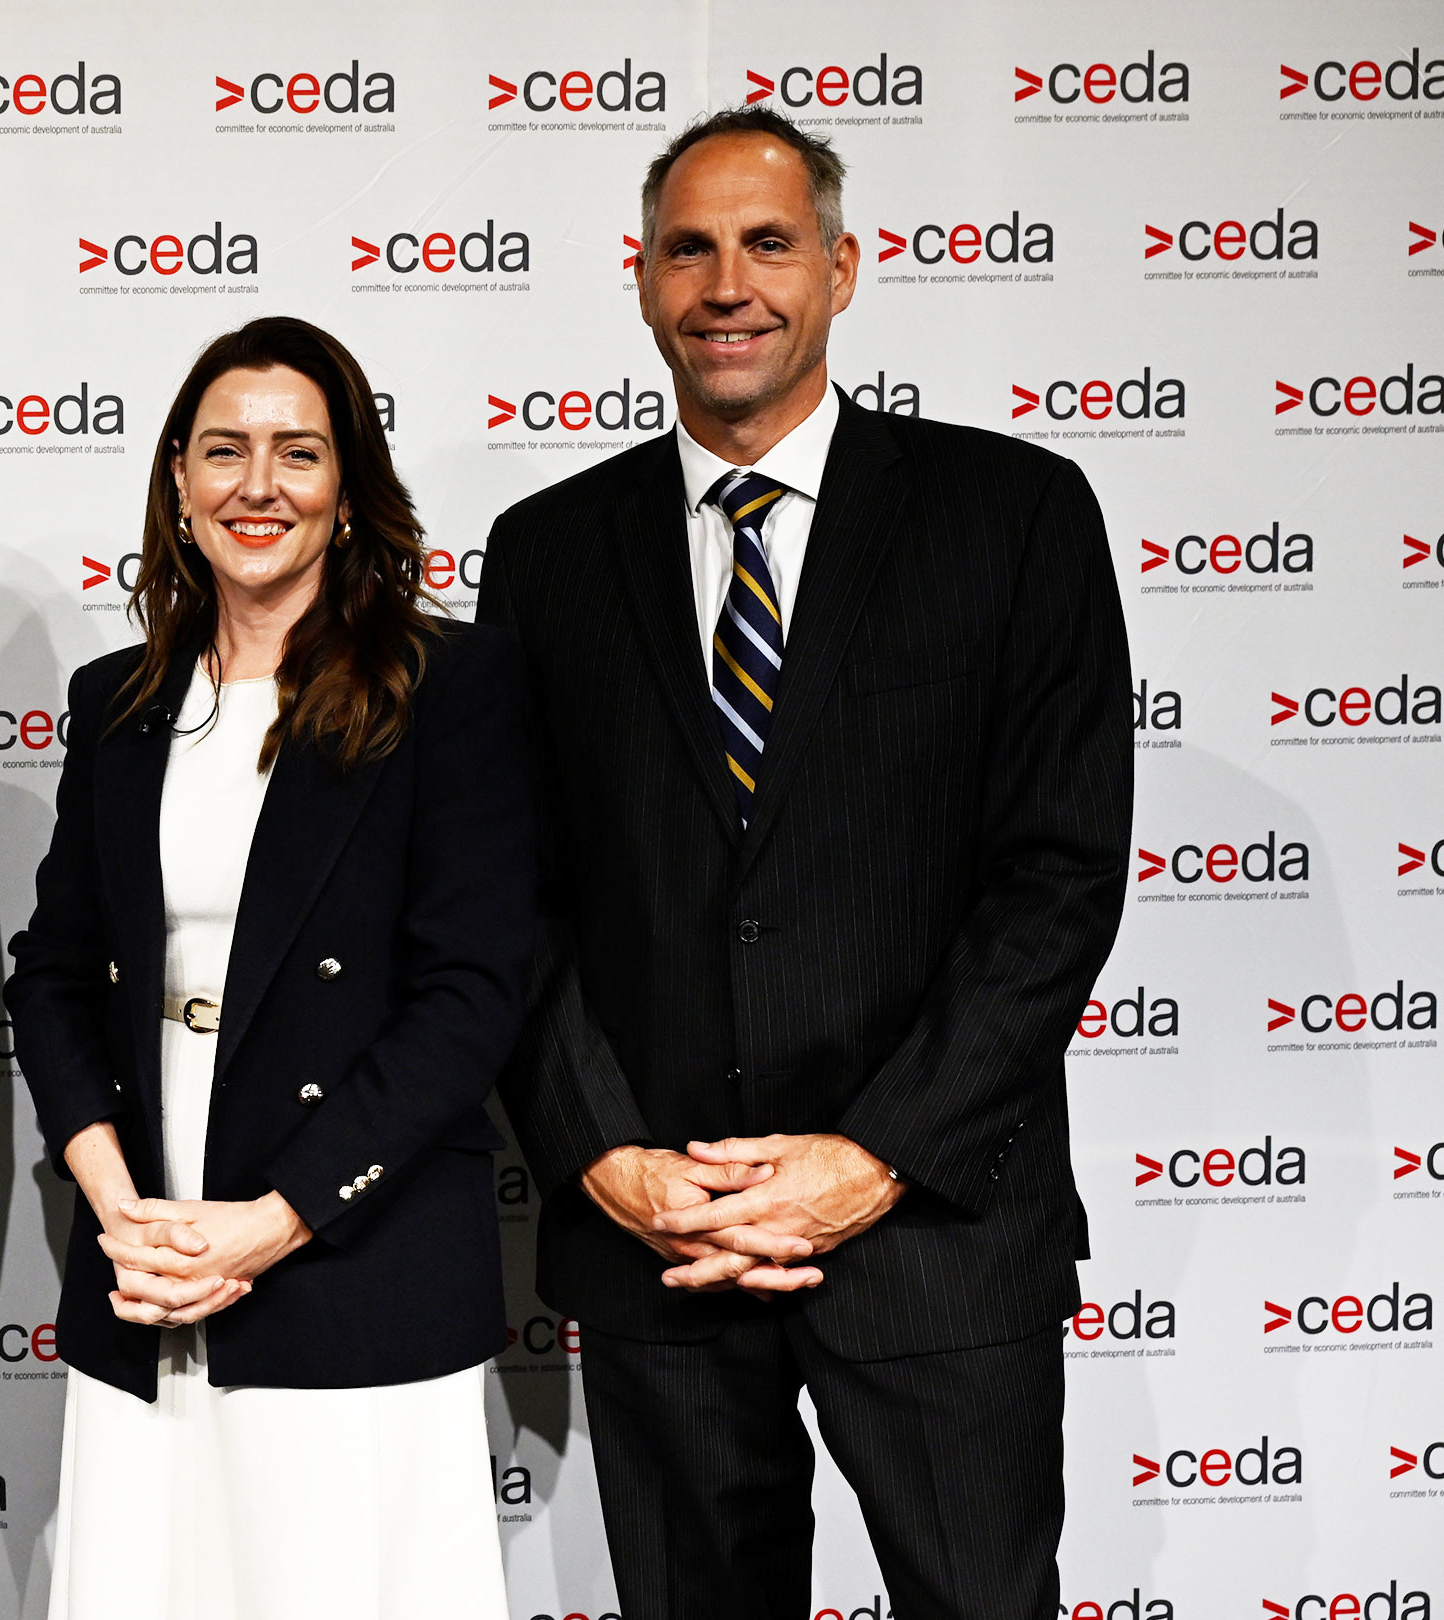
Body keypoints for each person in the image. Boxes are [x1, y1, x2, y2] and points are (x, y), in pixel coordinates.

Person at [479, 107, 1133, 1620]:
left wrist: (871, 1159)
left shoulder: (1013, 515)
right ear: (640, 279)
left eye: (769, 244)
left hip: (940, 1231)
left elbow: (1056, 877)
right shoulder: (548, 552)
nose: (729, 285)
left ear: (844, 267)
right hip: (667, 1236)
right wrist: (609, 1161)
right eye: (689, 248)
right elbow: (514, 903)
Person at [4, 316, 537, 1620]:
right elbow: (53, 975)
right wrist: (118, 1203)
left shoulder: (445, 685)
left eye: (299, 453)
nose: (260, 485)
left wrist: (271, 1221)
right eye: (225, 451)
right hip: (144, 1272)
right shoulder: (116, 700)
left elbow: (470, 997)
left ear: (349, 489)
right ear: (177, 484)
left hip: (353, 1267)